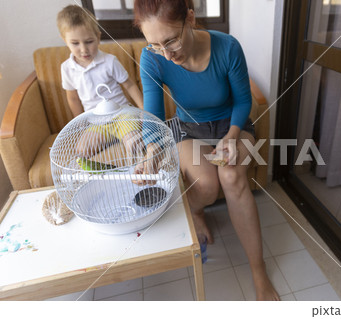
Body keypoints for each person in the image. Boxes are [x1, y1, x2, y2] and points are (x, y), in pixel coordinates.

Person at [133, 0, 279, 301]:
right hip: (189, 129)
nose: (167, 55)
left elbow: (243, 101)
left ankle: (258, 269)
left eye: (171, 40)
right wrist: (151, 155)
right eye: (156, 45)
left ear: (190, 17)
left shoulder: (227, 47)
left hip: (234, 125)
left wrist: (233, 135)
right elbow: (154, 117)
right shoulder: (153, 59)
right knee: (207, 184)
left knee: (232, 177)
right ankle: (197, 211)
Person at [57, 5, 144, 159]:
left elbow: (129, 85)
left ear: (98, 37)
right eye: (75, 43)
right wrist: (80, 124)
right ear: (65, 41)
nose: (84, 49)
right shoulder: (66, 68)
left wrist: (144, 111)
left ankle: (126, 138)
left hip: (121, 115)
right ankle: (111, 139)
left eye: (89, 41)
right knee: (82, 151)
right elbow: (72, 98)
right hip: (95, 123)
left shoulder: (109, 61)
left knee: (135, 144)